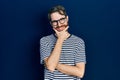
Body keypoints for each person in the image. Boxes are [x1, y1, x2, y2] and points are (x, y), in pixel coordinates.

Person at [40, 5, 86, 80]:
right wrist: (60, 39)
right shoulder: (44, 41)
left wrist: (52, 63)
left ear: (67, 18)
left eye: (62, 19)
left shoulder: (79, 42)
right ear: (51, 23)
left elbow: (80, 72)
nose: (59, 24)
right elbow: (51, 67)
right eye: (55, 21)